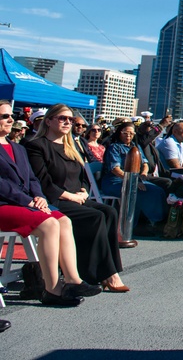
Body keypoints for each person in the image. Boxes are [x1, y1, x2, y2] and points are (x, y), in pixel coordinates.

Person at [0, 100, 102, 307]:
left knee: (63, 221)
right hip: (4, 204)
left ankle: (73, 280)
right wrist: (29, 200)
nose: (11, 119)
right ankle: (52, 290)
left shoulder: (17, 148)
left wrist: (38, 197)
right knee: (49, 224)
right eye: (4, 116)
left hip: (26, 203)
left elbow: (32, 179)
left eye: (10, 115)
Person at [24, 104, 129, 292]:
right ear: (48, 121)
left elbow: (83, 177)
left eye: (70, 120)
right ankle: (101, 274)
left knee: (109, 212)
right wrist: (71, 197)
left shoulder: (71, 146)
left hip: (76, 198)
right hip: (53, 201)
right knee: (94, 217)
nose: (67, 122)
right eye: (62, 118)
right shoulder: (36, 146)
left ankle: (110, 271)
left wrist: (83, 191)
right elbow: (43, 182)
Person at [101, 121, 167, 239]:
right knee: (142, 191)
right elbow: (115, 169)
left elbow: (145, 163)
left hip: (133, 178)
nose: (129, 136)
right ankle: (136, 225)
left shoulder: (134, 147)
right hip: (115, 181)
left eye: (132, 133)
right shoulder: (114, 147)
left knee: (157, 190)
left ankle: (156, 221)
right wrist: (132, 181)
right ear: (119, 133)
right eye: (125, 133)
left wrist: (143, 173)